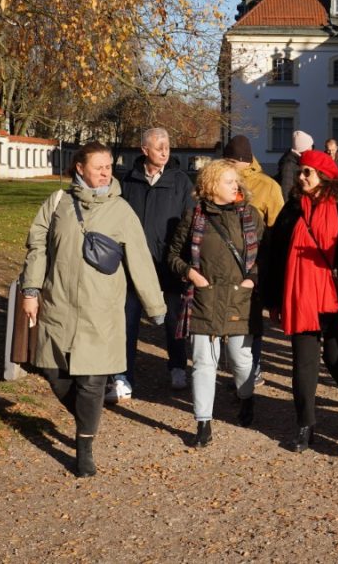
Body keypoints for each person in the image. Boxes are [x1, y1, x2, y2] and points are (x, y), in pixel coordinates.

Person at [20, 141, 166, 477]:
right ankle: (87, 416)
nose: (105, 172)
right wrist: (31, 290)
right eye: (98, 167)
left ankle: (84, 446)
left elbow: (140, 261)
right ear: (79, 168)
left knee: (91, 381)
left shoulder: (121, 210)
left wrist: (154, 306)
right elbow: (37, 247)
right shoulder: (57, 203)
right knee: (53, 372)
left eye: (108, 167)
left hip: (101, 312)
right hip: (58, 306)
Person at [266, 150, 338, 451]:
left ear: (324, 175)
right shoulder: (293, 207)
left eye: (307, 171)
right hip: (300, 294)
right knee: (303, 364)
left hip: (336, 293)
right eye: (300, 171)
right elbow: (274, 252)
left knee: (337, 358)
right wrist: (272, 298)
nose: (301, 176)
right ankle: (305, 425)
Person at [168, 159, 265, 448]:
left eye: (236, 181)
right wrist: (192, 275)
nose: (236, 185)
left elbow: (264, 255)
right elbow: (173, 255)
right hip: (204, 298)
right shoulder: (194, 216)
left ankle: (246, 398)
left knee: (241, 360)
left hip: (240, 298)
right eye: (228, 181)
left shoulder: (250, 215)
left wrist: (252, 280)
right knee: (203, 363)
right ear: (211, 185)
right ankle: (203, 423)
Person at [111, 127, 194, 402]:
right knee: (128, 319)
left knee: (174, 319)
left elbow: (190, 221)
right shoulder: (128, 181)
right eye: (159, 147)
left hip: (168, 261)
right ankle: (123, 375)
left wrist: (184, 260)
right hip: (134, 263)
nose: (164, 151)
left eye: (167, 146)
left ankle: (178, 366)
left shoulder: (180, 181)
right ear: (144, 150)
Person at [223, 135, 284, 385]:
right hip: (225, 261)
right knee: (227, 316)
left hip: (255, 262)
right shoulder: (220, 181)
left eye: (230, 161)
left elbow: (277, 228)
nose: (226, 165)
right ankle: (236, 367)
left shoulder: (268, 186)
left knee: (251, 317)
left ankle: (253, 366)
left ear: (243, 161)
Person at [276, 130, 313, 199]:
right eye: (310, 146)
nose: (312, 148)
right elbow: (286, 190)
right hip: (293, 202)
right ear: (304, 148)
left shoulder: (298, 160)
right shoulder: (289, 165)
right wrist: (290, 205)